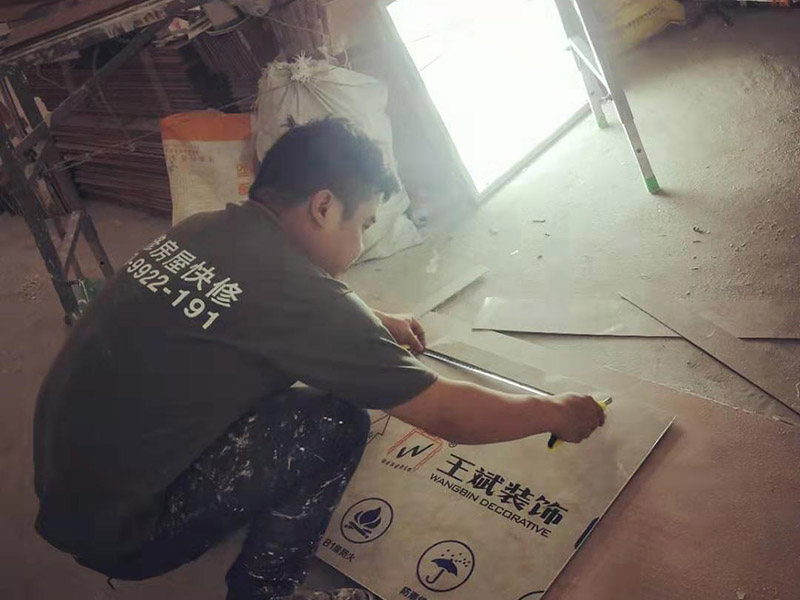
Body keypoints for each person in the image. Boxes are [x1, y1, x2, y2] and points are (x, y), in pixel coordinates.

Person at [33, 118, 604, 600]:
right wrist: (553, 412)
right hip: (128, 532)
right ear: (324, 207)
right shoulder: (303, 300)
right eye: (364, 224)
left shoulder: (205, 229)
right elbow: (446, 414)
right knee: (335, 422)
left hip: (69, 491)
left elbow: (271, 301)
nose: (363, 242)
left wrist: (371, 320)